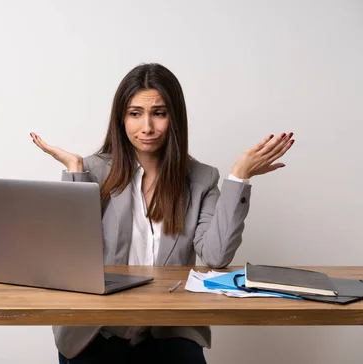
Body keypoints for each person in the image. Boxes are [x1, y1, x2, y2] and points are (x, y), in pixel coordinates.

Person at [30, 63, 294, 364]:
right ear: (121, 118)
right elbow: (70, 256)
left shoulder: (202, 179)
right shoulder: (93, 172)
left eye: (159, 113)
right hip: (96, 330)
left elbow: (216, 255)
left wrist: (239, 177)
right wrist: (75, 172)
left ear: (175, 117)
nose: (147, 127)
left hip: (169, 329)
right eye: (135, 114)